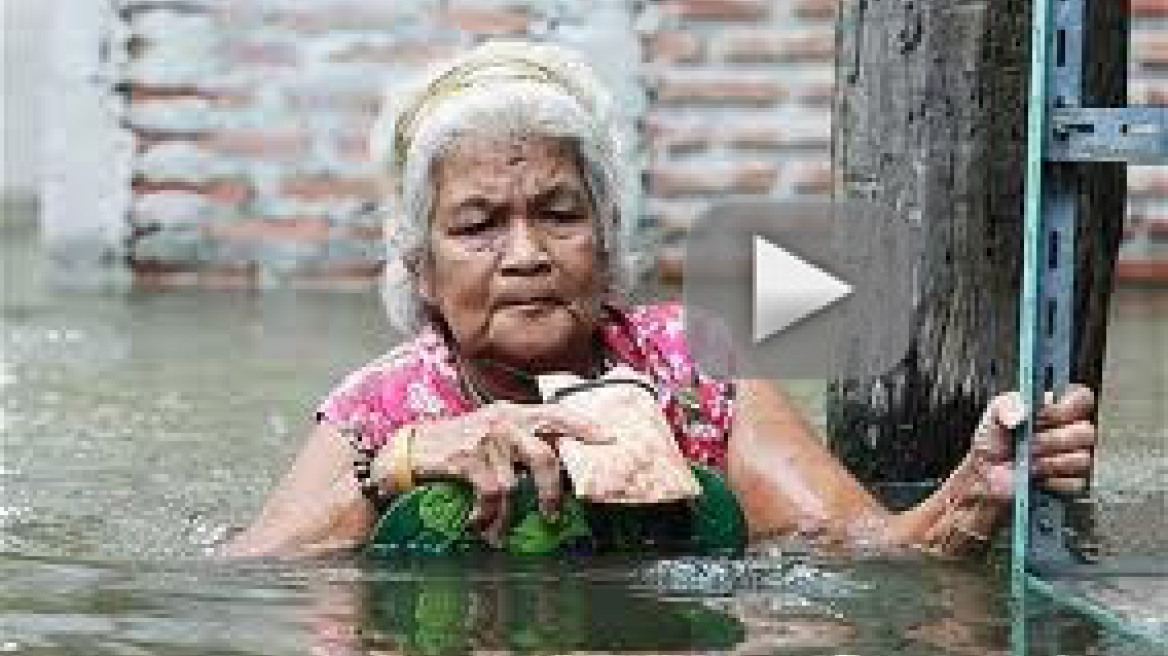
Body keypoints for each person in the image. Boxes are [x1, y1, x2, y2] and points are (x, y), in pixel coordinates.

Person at [221, 41, 1096, 559]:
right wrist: (403, 464)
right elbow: (246, 578)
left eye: (559, 214)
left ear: (605, 241)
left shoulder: (692, 365)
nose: (525, 253)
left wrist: (976, 491)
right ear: (421, 268)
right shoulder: (381, 409)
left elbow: (869, 554)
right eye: (479, 225)